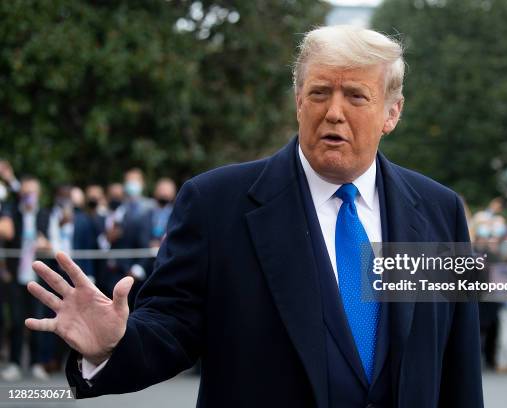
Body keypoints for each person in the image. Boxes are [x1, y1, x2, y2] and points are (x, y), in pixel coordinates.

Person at [25, 26, 483, 407]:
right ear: (298, 101)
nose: (334, 113)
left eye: (357, 97)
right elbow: (172, 326)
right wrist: (113, 345)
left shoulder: (438, 210)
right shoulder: (217, 204)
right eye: (319, 92)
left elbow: (458, 364)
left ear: (392, 112)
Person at [1, 176, 52, 381]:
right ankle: (14, 362)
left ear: (38, 194)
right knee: (16, 319)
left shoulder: (46, 215)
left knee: (38, 319)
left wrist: (45, 244)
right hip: (14, 275)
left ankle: (36, 363)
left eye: (32, 192)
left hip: (37, 275)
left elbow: (54, 243)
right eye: (25, 192)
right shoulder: (11, 213)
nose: (28, 196)